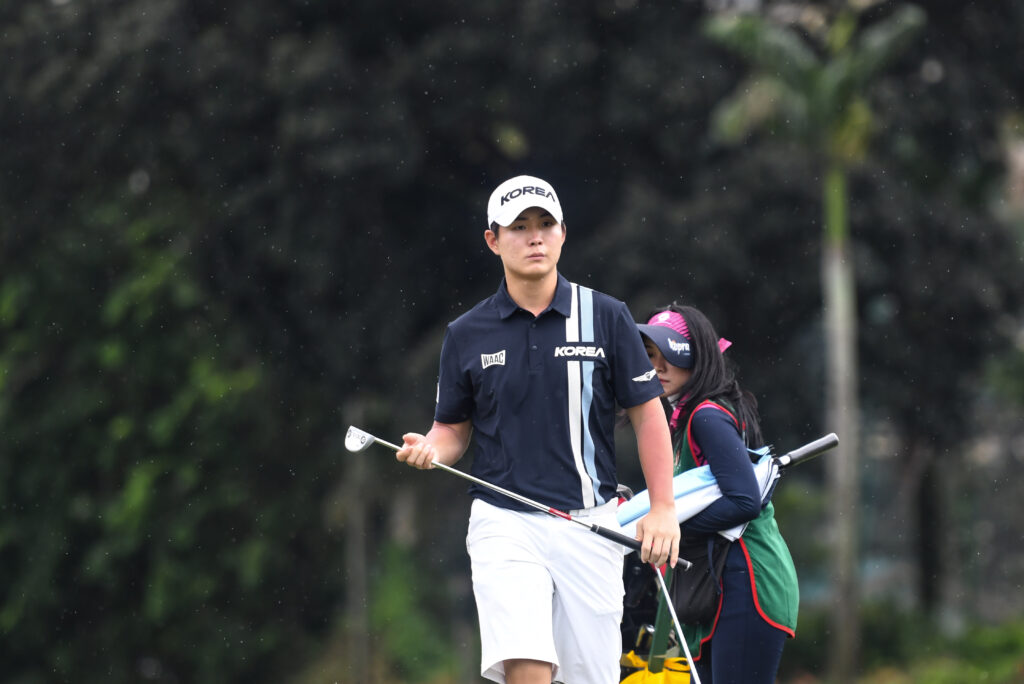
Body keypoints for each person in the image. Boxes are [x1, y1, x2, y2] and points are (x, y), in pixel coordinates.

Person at [396, 175, 680, 684]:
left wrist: (662, 508)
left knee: (591, 675)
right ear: (493, 240)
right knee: (527, 663)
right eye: (519, 227)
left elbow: (647, 414)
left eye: (545, 225)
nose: (534, 237)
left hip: (590, 522)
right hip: (504, 522)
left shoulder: (607, 316)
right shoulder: (466, 333)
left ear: (563, 234)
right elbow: (451, 430)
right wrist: (431, 449)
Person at [636, 303, 799, 684]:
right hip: (717, 588)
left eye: (669, 355)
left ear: (698, 358)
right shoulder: (689, 415)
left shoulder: (705, 416)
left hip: (748, 582)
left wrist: (671, 531)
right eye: (650, 356)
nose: (658, 367)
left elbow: (744, 501)